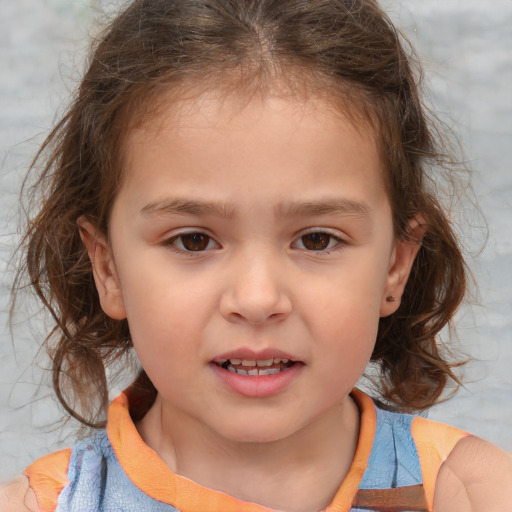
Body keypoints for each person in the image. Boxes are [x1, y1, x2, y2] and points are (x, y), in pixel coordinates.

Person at [2, 0, 512, 510]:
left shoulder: (473, 493)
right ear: (108, 268)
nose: (257, 298)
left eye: (317, 239)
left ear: (396, 264)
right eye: (193, 240)